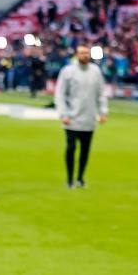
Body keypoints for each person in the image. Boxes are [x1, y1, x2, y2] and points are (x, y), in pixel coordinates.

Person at [54, 45, 108, 188]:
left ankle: (80, 178)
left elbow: (101, 93)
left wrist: (103, 112)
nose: (85, 55)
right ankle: (70, 179)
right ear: (76, 54)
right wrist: (63, 114)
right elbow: (59, 94)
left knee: (85, 150)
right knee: (71, 148)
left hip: (89, 118)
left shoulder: (95, 72)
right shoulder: (68, 71)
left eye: (87, 53)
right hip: (71, 118)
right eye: (82, 53)